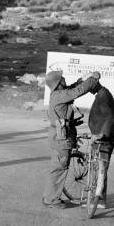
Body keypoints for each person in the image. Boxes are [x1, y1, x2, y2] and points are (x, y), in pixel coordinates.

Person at [42, 70, 101, 208]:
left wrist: (83, 79)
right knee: (59, 168)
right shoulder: (59, 95)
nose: (64, 79)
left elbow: (73, 88)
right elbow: (78, 91)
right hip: (61, 139)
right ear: (58, 83)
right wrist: (92, 80)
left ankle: (49, 197)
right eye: (61, 78)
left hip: (59, 136)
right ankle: (51, 200)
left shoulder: (59, 94)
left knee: (58, 168)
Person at [88, 80, 114, 209]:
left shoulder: (103, 96)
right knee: (100, 168)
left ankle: (100, 200)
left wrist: (101, 134)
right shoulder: (103, 94)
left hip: (104, 139)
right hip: (102, 137)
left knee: (101, 169)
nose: (87, 90)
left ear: (93, 85)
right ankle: (98, 197)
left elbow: (109, 117)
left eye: (88, 87)